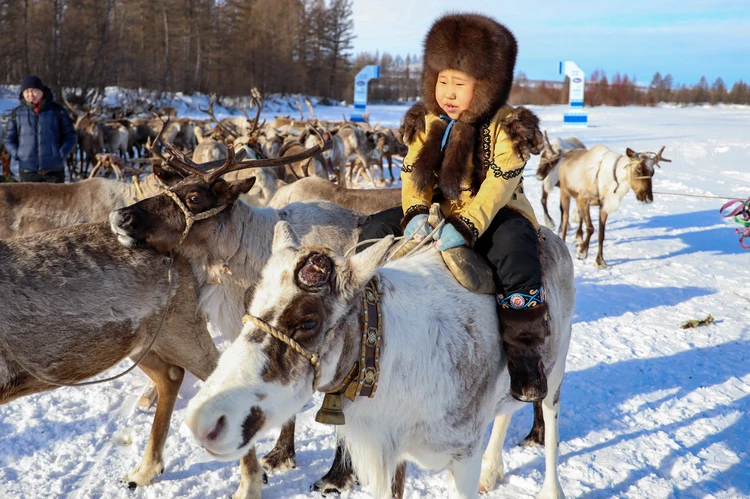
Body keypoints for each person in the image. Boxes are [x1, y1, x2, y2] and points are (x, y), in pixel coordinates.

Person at [357, 13, 548, 402]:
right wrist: (413, 214)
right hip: (436, 212)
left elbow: (498, 186)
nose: (448, 91)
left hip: (494, 213)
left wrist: (464, 227)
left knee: (515, 252)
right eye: (442, 80)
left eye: (459, 84)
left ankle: (524, 351)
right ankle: (359, 324)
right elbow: (412, 173)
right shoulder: (427, 122)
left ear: (486, 85)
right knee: (373, 230)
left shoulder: (508, 126)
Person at [3, 75, 77, 183]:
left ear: (41, 91)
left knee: (55, 200)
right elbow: (8, 139)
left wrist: (61, 154)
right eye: (26, 91)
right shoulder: (17, 114)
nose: (30, 95)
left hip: (53, 172)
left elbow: (71, 136)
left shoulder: (58, 111)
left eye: (33, 91)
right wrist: (18, 154)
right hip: (28, 171)